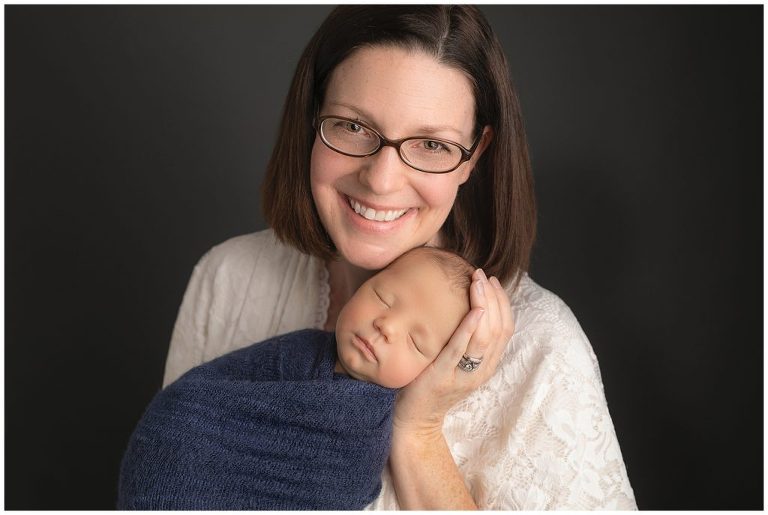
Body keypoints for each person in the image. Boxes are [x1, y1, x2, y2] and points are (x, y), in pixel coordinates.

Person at [163, 5, 636, 510]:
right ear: (311, 118)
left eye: (432, 143)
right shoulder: (229, 279)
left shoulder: (543, 348)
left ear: (474, 155)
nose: (382, 180)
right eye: (352, 127)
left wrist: (418, 431)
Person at [118, 247, 474, 510]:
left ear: (434, 371)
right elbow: (200, 401)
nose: (387, 325)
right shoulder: (302, 348)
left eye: (416, 341)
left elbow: (338, 490)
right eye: (382, 297)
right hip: (173, 458)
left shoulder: (366, 425)